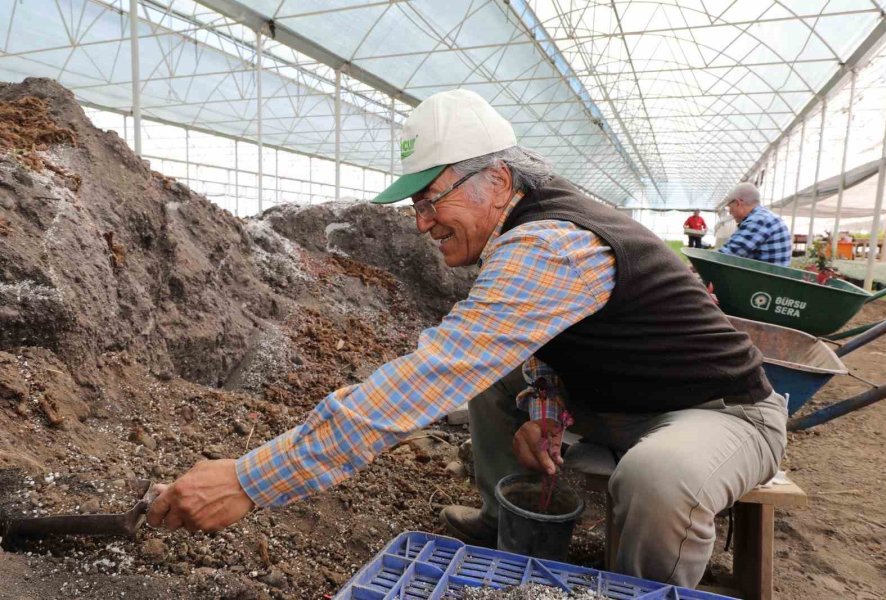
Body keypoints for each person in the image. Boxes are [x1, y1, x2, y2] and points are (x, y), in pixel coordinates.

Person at [147, 89, 787, 589]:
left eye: (431, 199)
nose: (422, 223)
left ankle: (638, 590)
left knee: (660, 474)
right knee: (493, 376)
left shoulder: (552, 243)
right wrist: (543, 411)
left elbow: (433, 374)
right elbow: (541, 351)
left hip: (716, 411)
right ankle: (501, 516)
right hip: (617, 399)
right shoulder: (520, 224)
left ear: (499, 179)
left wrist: (250, 479)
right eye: (415, 207)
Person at [719, 182, 791, 265]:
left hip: (763, 277)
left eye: (729, 207)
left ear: (738, 203)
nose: (730, 212)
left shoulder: (759, 221)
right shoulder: (764, 217)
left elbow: (726, 255)